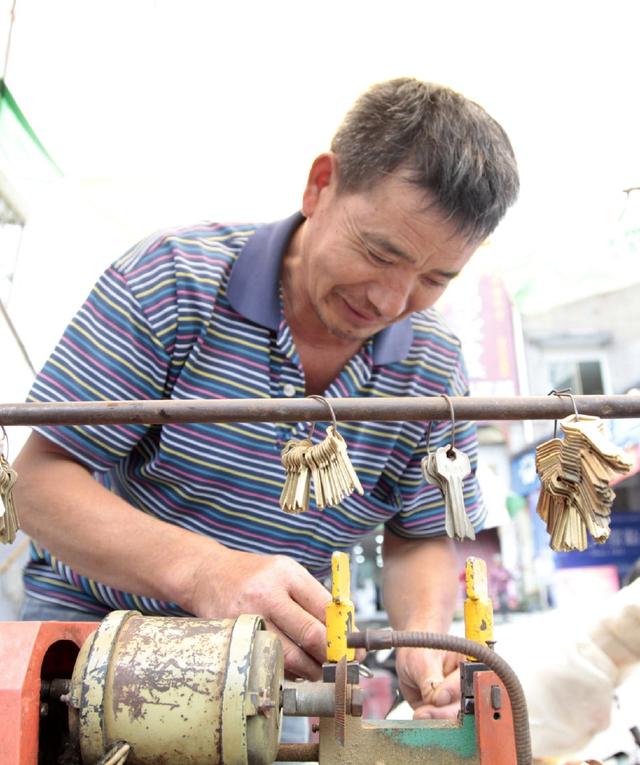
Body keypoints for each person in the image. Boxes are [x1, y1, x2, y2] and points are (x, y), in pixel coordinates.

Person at [13, 77, 519, 721]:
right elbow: (35, 483)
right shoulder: (171, 281)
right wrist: (205, 573)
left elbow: (419, 537)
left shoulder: (432, 367)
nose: (391, 302)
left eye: (433, 279)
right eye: (379, 252)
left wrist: (424, 638)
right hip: (88, 655)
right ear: (320, 186)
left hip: (265, 680)